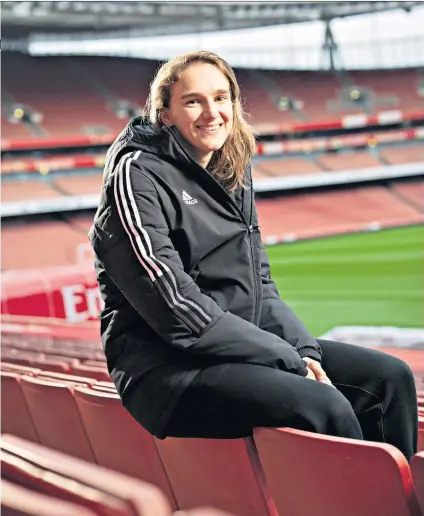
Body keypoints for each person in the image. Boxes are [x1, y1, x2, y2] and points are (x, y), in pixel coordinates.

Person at [89, 51, 418, 460]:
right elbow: (174, 305)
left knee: (389, 379)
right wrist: (283, 358)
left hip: (241, 350)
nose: (212, 112)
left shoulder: (233, 171)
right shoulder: (135, 175)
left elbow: (259, 283)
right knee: (325, 406)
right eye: (193, 101)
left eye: (221, 98)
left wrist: (305, 351)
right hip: (168, 369)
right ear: (166, 113)